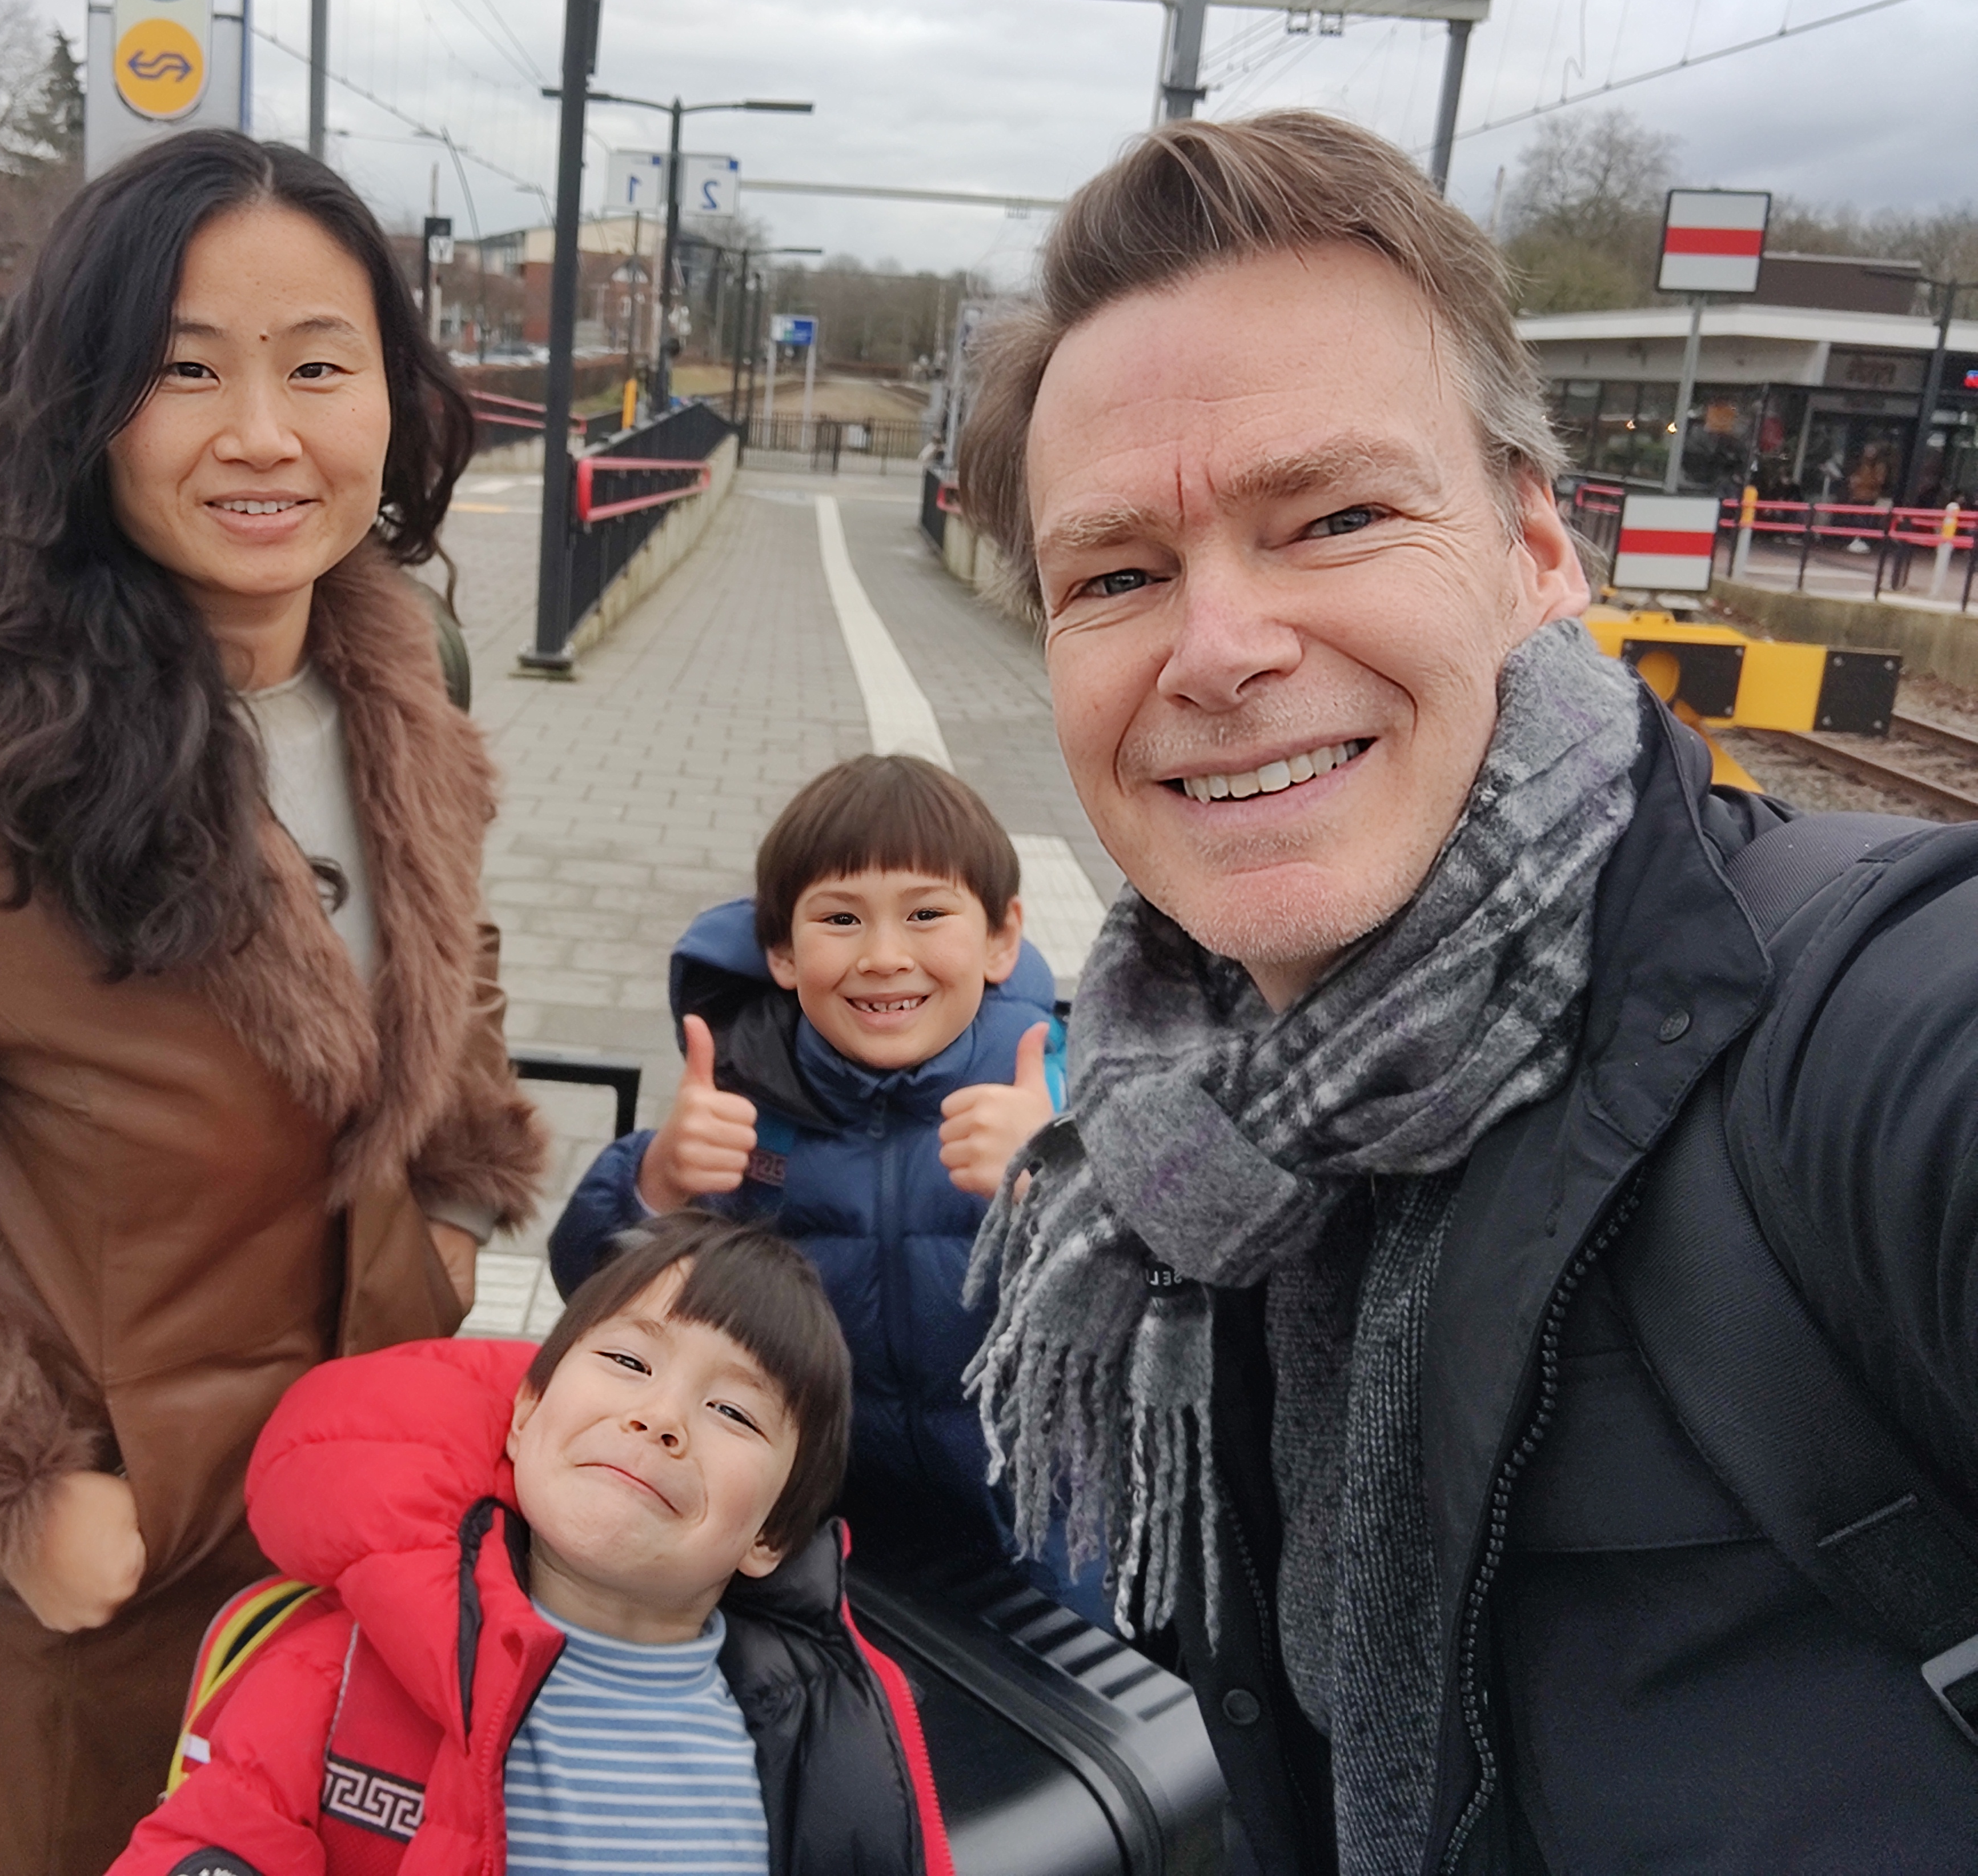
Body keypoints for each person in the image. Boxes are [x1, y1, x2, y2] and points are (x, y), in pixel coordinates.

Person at [954, 110, 1978, 1874]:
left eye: (1336, 516)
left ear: (1538, 550)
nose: (1218, 649)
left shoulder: (1862, 1032)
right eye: (1117, 574)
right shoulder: (1187, 1145)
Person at [0, 130, 545, 1876]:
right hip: (64, 1641)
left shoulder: (398, 700)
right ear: (82, 408)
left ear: (395, 397)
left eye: (318, 365)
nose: (264, 432)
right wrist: (13, 1500)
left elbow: (448, 995)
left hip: (346, 1593)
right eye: (183, 370)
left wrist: (443, 1238)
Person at [106, 1214, 955, 1876]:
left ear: (771, 1533)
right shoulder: (338, 1673)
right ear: (523, 1413)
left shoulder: (838, 1724)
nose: (659, 1419)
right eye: (628, 1360)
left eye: (733, 1412)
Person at [546, 755, 1078, 1597]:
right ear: (783, 953)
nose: (883, 956)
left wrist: (1062, 1186)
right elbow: (593, 1295)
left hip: (1048, 1549)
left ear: (1002, 938)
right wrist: (661, 1178)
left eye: (927, 912)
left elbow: (1180, 1313)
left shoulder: (1062, 1098)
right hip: (812, 1545)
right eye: (840, 919)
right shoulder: (750, 1106)